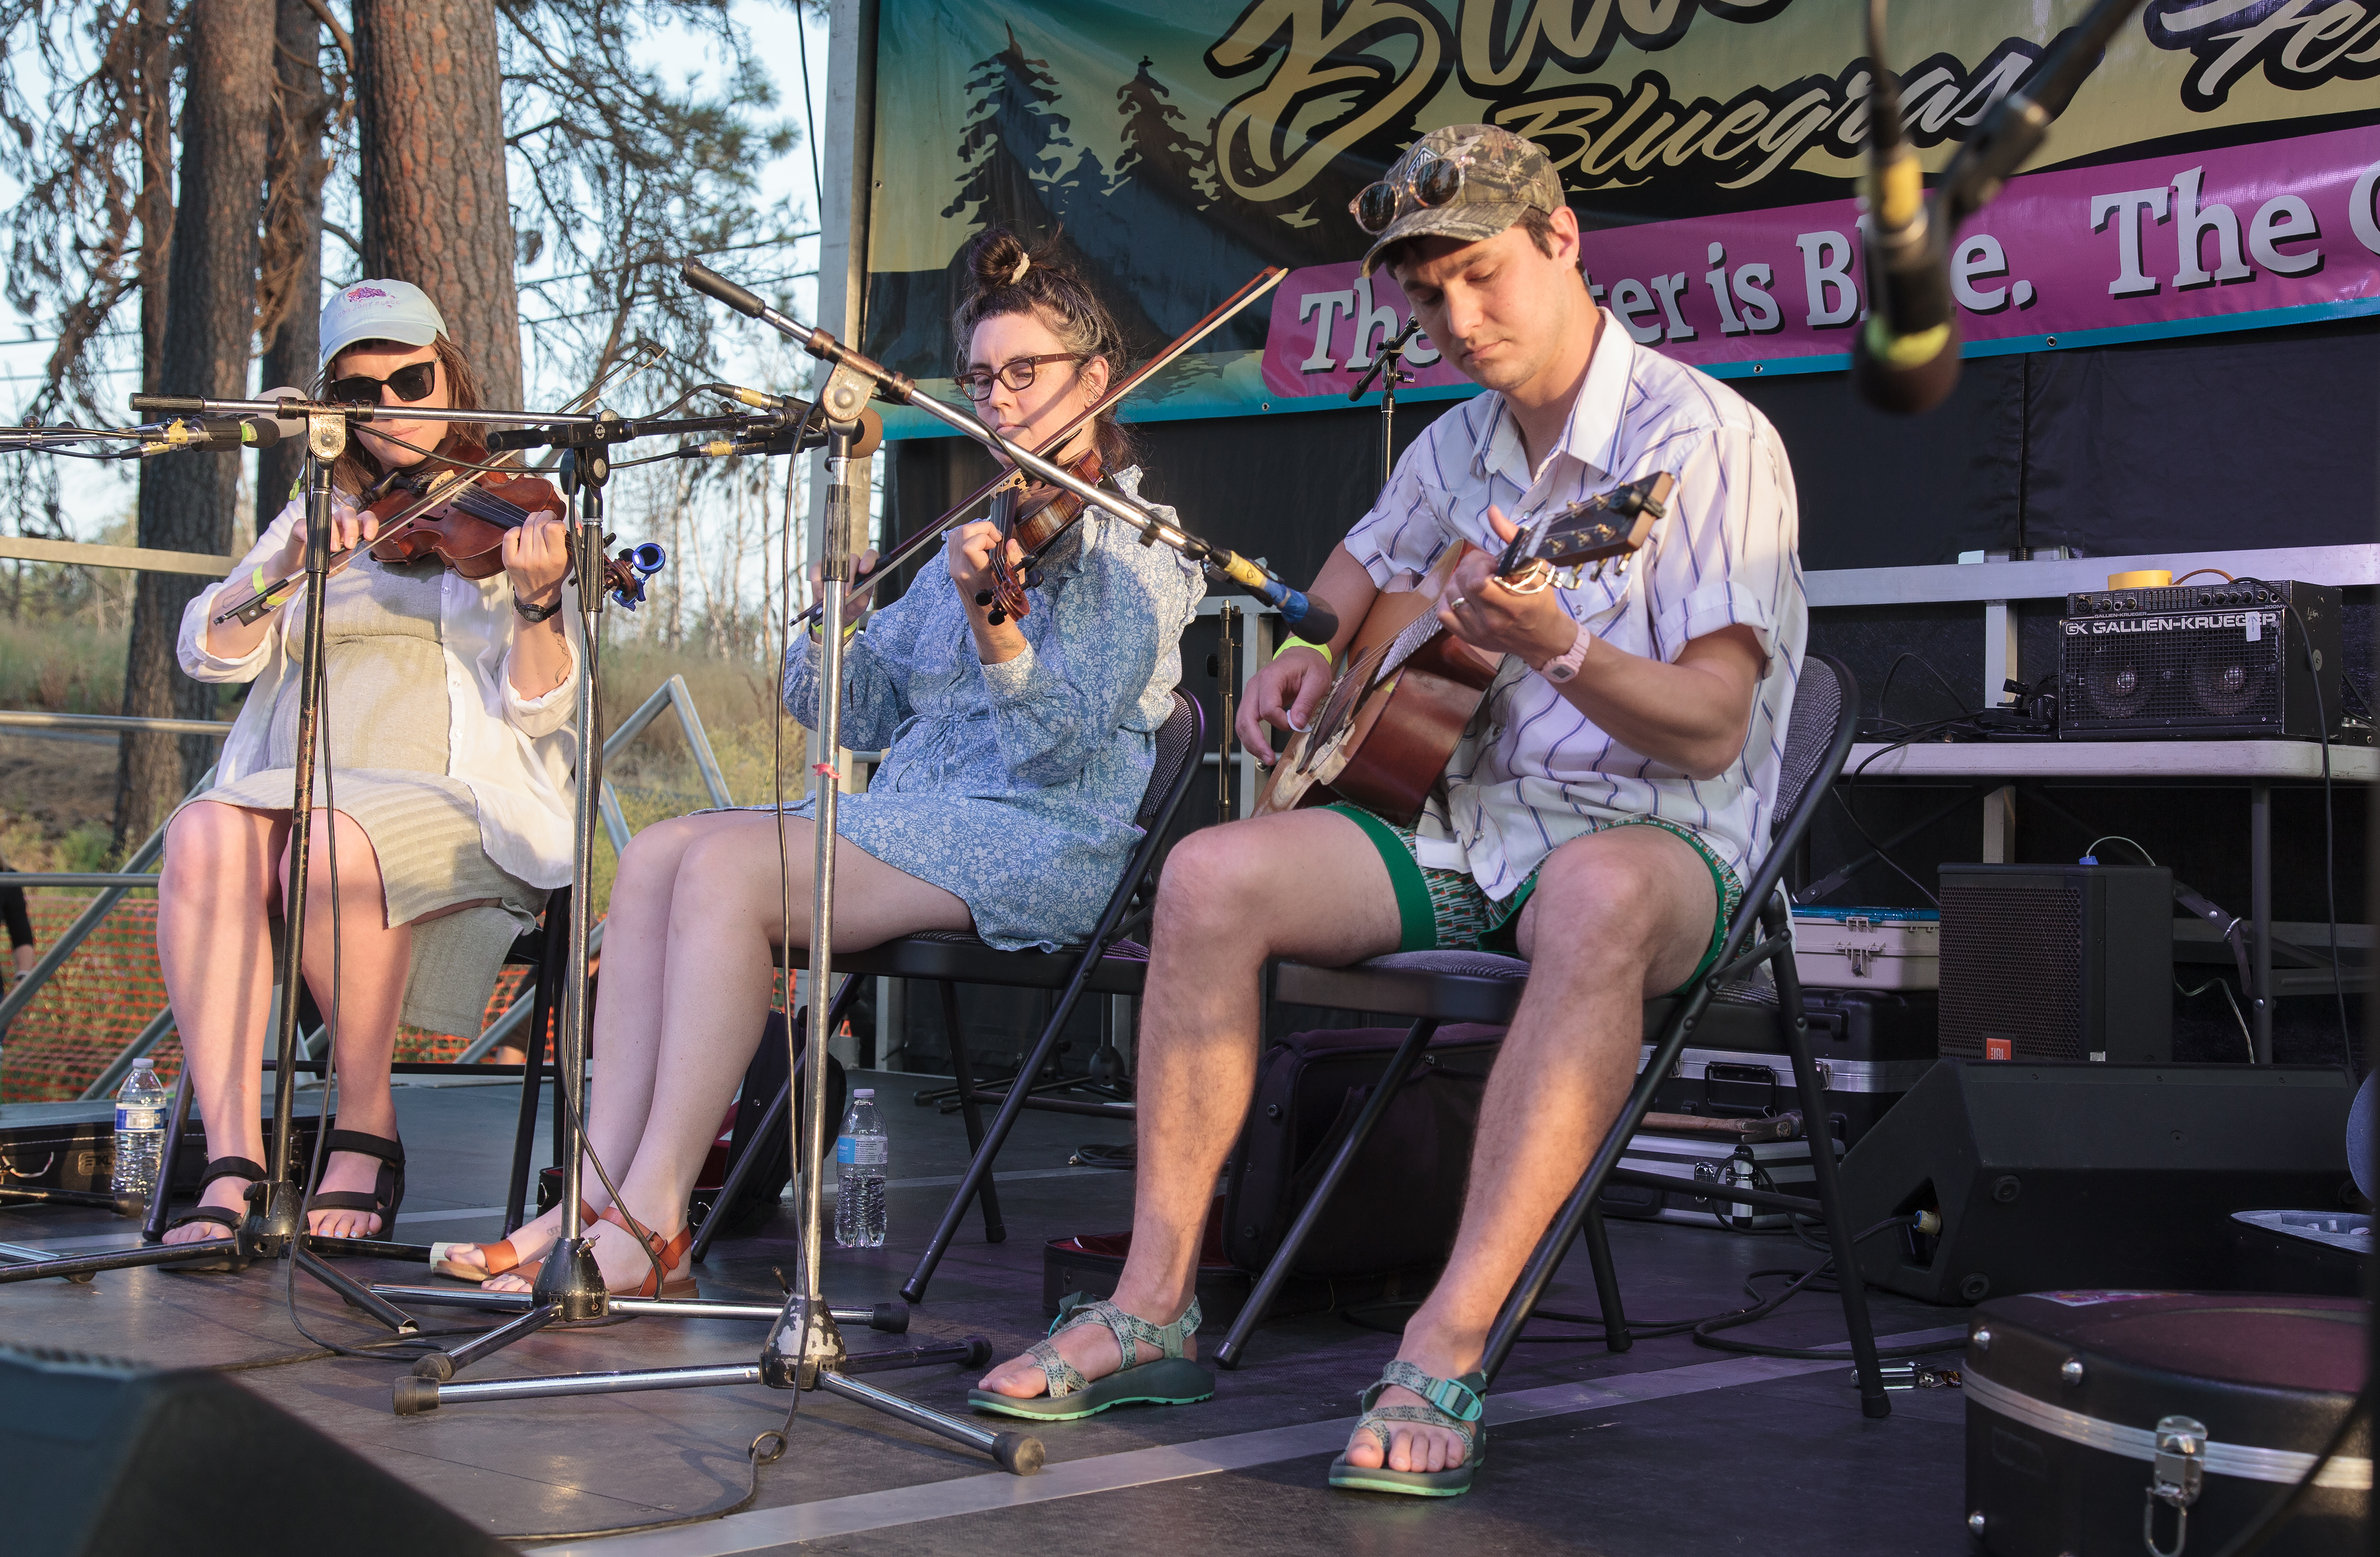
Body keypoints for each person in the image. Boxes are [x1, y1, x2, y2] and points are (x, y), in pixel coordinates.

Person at [976, 126, 1807, 1499]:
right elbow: (1347, 585)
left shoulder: (1703, 440)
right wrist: (1314, 653)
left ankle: (1449, 1336)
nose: (1457, 320)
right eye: (1425, 298)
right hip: (1462, 821)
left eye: (1481, 276)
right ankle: (1152, 1304)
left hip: (1658, 839)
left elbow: (1715, 722)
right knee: (1206, 879)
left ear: (1562, 239)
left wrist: (1554, 645)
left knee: (1594, 896)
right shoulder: (1454, 445)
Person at [438, 230, 1205, 1299]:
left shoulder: (1142, 554)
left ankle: (656, 1210)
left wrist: (998, 626)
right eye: (982, 377)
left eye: (1025, 373)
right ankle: (593, 1192)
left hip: (1039, 840)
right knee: (659, 851)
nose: (998, 400)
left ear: (1098, 379)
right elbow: (842, 706)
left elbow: (1052, 748)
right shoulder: (975, 537)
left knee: (723, 871)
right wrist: (829, 623)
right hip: (918, 821)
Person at [158, 280, 577, 1247]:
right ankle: (234, 1157)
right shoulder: (322, 509)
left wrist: (540, 602)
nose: (390, 405)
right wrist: (284, 568)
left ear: (450, 377)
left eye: (411, 379)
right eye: (361, 390)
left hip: (457, 802)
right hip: (300, 788)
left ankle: (364, 1125)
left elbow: (544, 705)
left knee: (330, 838)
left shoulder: (512, 511)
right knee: (202, 827)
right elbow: (207, 650)